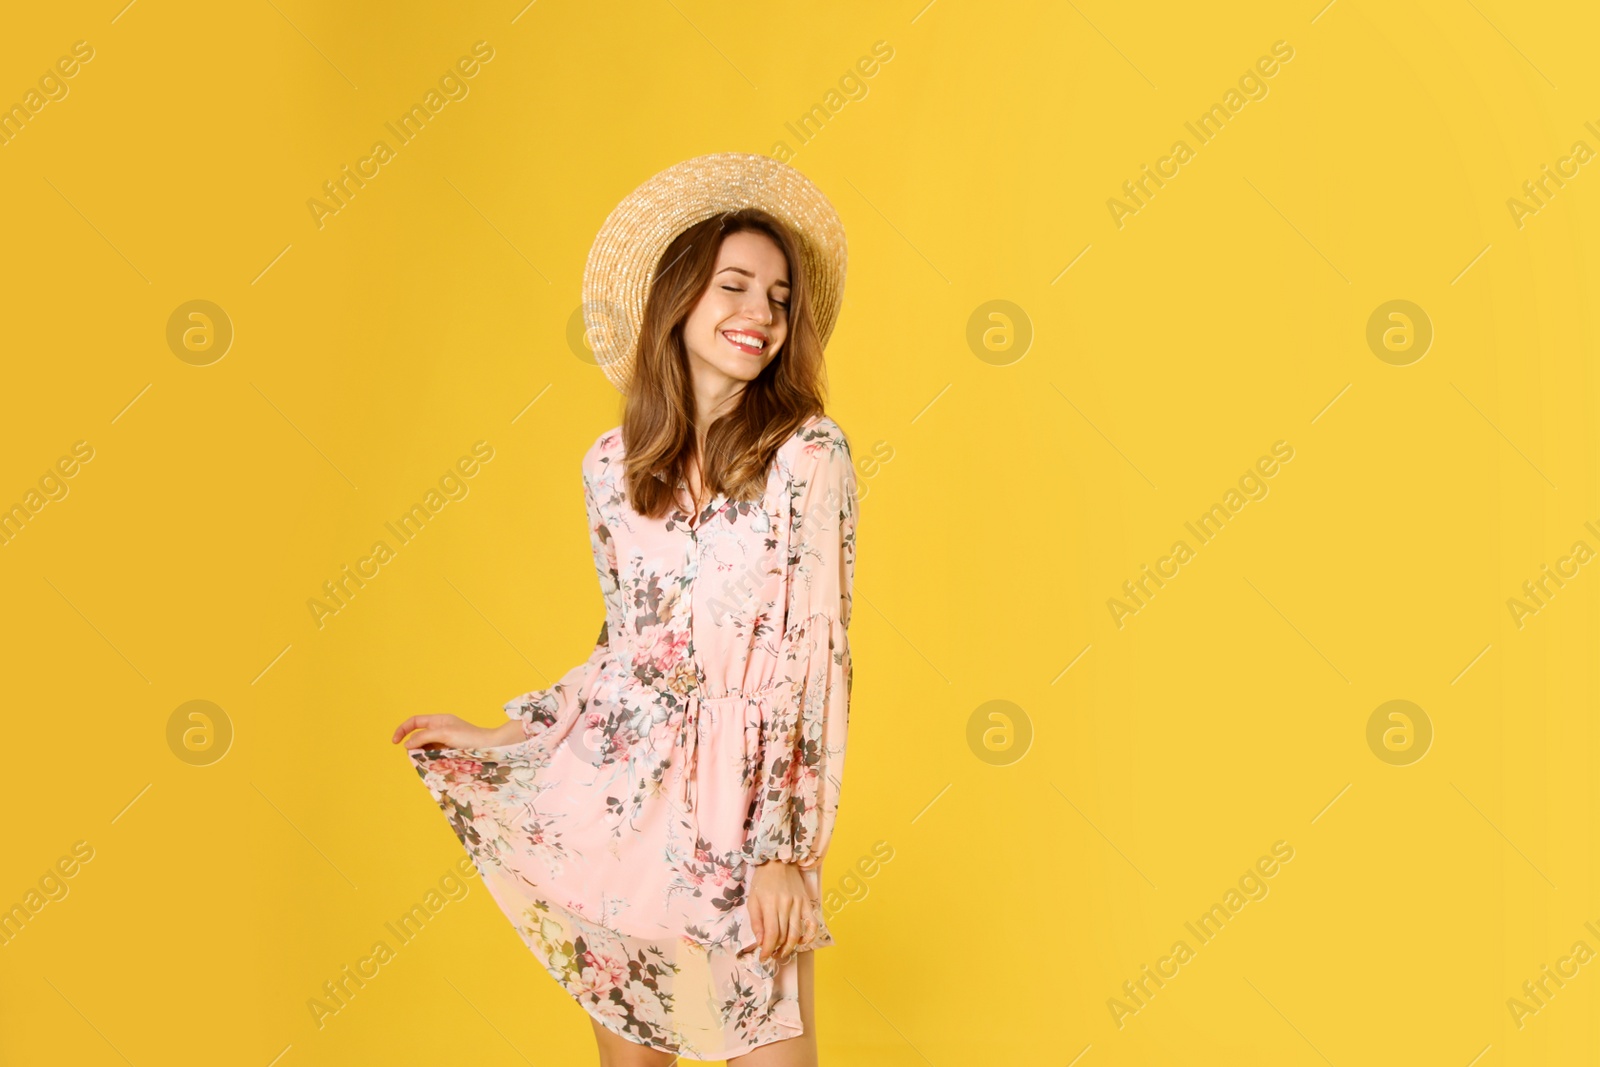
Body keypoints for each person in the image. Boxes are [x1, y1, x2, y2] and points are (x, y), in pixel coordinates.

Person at [391, 153, 857, 1065]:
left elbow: (814, 657)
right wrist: (512, 737)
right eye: (734, 286)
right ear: (678, 299)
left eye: (779, 298)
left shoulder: (808, 455)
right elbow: (626, 650)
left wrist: (786, 849)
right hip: (620, 793)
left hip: (746, 802)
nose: (759, 315)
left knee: (774, 1049)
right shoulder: (611, 467)